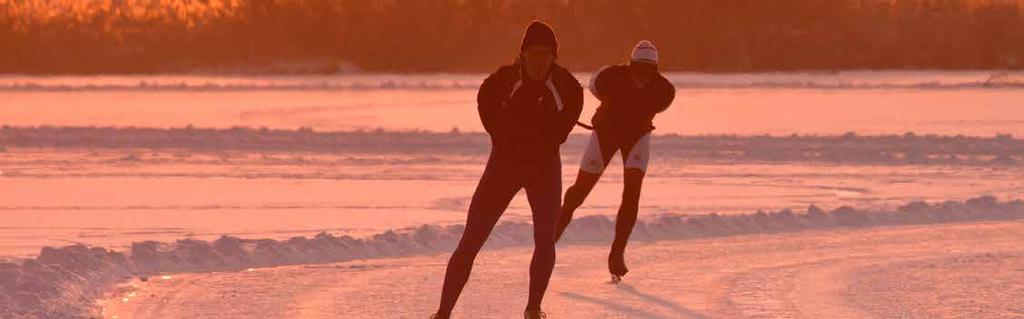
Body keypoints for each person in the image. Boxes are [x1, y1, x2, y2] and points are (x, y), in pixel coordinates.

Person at [432, 21, 583, 319]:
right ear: (523, 54)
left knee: (545, 238)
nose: (540, 60)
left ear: (554, 57)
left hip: (544, 168)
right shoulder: (502, 79)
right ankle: (443, 313)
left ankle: (533, 309)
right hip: (504, 165)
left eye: (545, 54)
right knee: (472, 238)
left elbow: (573, 110)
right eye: (534, 53)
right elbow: (484, 102)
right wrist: (501, 136)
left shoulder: (567, 85)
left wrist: (552, 139)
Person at [555, 40, 675, 282]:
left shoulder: (664, 90)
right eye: (638, 69)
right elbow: (594, 88)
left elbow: (658, 104)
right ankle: (550, 242)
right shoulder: (609, 77)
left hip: (638, 138)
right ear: (630, 65)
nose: (642, 76)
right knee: (579, 192)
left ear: (655, 72)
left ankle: (617, 253)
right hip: (605, 136)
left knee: (632, 193)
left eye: (648, 71)